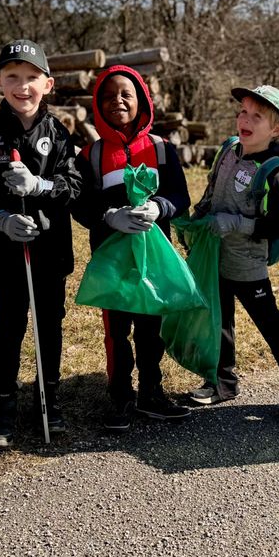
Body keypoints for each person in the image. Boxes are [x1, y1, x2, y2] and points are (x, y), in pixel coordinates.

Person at [0, 39, 82, 448]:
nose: (22, 86)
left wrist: (41, 185)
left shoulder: (60, 133)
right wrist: (0, 217)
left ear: (48, 84)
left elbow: (74, 186)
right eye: (13, 77)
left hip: (50, 250)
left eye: (32, 78)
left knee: (50, 326)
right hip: (6, 250)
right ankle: (3, 406)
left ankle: (49, 398)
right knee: (8, 327)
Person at [72, 64, 191, 432]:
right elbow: (80, 205)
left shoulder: (162, 150)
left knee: (150, 326)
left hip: (153, 261)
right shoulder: (90, 156)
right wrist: (109, 216)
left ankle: (152, 392)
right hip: (112, 263)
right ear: (97, 104)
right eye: (108, 97)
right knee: (116, 330)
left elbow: (180, 197)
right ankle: (120, 397)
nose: (117, 101)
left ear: (142, 101)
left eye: (126, 94)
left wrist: (160, 207)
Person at [188, 86, 279, 421]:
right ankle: (223, 382)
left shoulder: (274, 173)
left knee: (270, 324)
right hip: (215, 256)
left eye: (257, 116)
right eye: (243, 111)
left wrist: (233, 223)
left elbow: (274, 226)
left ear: (276, 129)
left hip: (248, 266)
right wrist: (197, 220)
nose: (245, 119)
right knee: (220, 320)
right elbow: (211, 191)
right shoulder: (228, 150)